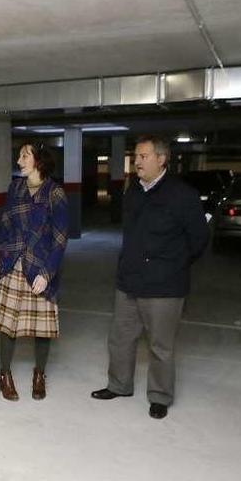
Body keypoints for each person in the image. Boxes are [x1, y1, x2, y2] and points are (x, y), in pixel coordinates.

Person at [91, 135, 209, 419]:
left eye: (143, 156)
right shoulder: (133, 192)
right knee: (120, 337)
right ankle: (119, 385)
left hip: (164, 285)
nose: (137, 162)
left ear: (161, 159)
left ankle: (159, 396)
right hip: (129, 280)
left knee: (160, 345)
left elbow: (199, 240)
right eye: (136, 156)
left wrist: (172, 265)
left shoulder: (183, 195)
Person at [0, 142, 69, 401]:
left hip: (41, 267)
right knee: (7, 325)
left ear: (39, 161)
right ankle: (4, 374)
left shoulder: (55, 193)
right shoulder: (15, 188)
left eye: (25, 156)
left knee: (41, 327)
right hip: (12, 263)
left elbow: (60, 239)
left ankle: (39, 374)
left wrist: (47, 274)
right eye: (19, 156)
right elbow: (5, 225)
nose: (19, 160)